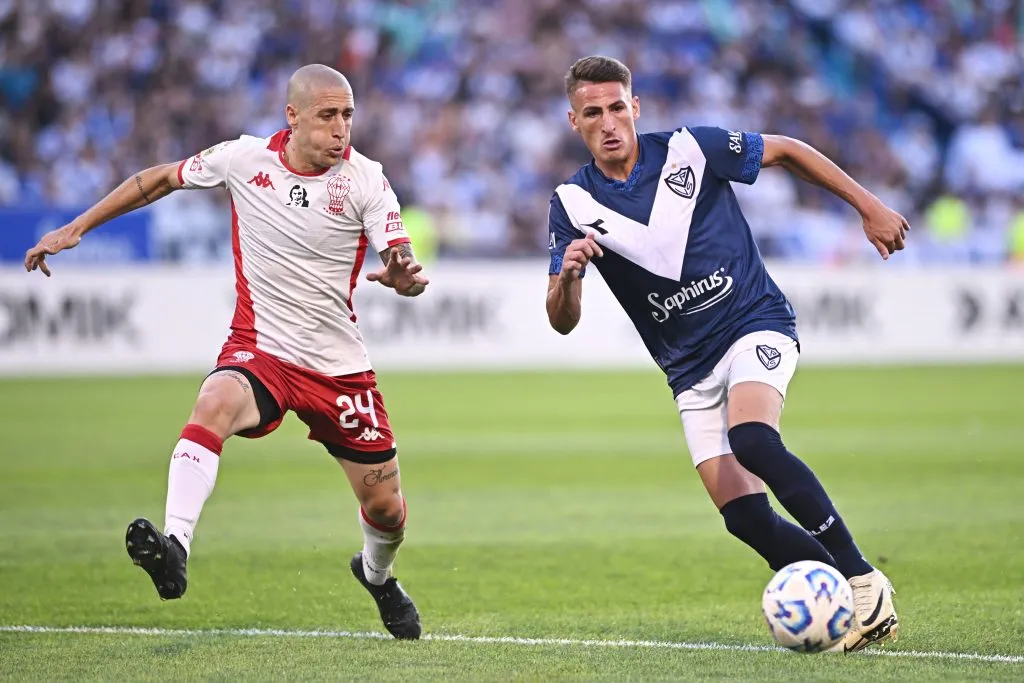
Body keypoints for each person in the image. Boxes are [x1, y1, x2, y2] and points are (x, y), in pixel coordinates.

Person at [24, 64, 427, 640]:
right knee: (212, 402)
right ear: (292, 117)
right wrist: (77, 226)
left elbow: (398, 254)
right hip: (260, 350)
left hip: (337, 369)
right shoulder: (243, 159)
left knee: (386, 508)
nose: (341, 129)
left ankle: (377, 576)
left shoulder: (366, 179)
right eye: (327, 116)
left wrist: (403, 276)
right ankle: (175, 546)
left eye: (347, 115)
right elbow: (159, 180)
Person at [545, 56, 906, 654]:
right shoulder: (571, 203)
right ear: (573, 121)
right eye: (592, 113)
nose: (608, 123)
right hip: (688, 370)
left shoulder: (691, 149)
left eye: (616, 108)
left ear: (635, 107)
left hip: (753, 323)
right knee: (745, 518)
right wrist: (570, 277)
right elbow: (561, 320)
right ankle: (845, 599)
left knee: (754, 440)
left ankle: (863, 578)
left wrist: (867, 205)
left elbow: (787, 150)